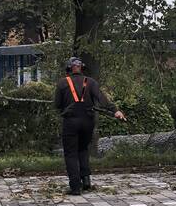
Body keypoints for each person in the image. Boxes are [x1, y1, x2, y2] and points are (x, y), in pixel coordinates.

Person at [53, 57, 126, 195]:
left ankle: (75, 187)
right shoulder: (90, 82)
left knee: (70, 153)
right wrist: (115, 110)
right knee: (83, 149)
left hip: (71, 122)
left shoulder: (63, 83)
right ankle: (86, 181)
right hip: (88, 122)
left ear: (69, 69)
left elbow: (57, 104)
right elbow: (102, 98)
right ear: (82, 68)